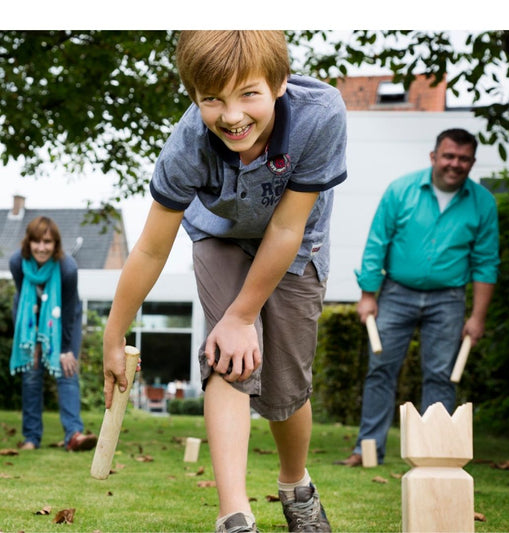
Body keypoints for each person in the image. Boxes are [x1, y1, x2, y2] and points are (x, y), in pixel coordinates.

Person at [103, 31, 346, 532]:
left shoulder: (320, 115)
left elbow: (286, 228)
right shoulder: (188, 144)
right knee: (227, 358)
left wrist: (243, 314)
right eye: (212, 99)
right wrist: (113, 334)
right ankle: (234, 516)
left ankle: (295, 485)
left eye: (249, 94)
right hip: (220, 236)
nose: (232, 116)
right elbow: (150, 248)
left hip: (296, 241)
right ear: (194, 95)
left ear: (279, 82)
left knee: (285, 389)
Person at [335, 128, 499, 467]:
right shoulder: (401, 190)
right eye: (449, 156)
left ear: (472, 163)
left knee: (441, 375)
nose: (455, 164)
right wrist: (368, 296)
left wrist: (477, 317)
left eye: (463, 158)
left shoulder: (483, 203)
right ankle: (367, 450)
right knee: (381, 370)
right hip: (397, 293)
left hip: (448, 299)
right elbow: (377, 243)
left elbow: (486, 262)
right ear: (434, 156)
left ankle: (433, 454)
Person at [9, 216, 97, 452]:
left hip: (65, 318)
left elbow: (68, 311)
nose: (41, 248)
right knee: (31, 371)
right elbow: (24, 300)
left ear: (55, 244)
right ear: (28, 242)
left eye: (47, 242)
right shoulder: (17, 262)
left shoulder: (68, 269)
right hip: (30, 317)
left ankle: (74, 435)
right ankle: (31, 437)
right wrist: (34, 342)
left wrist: (65, 349)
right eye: (36, 241)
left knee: (66, 369)